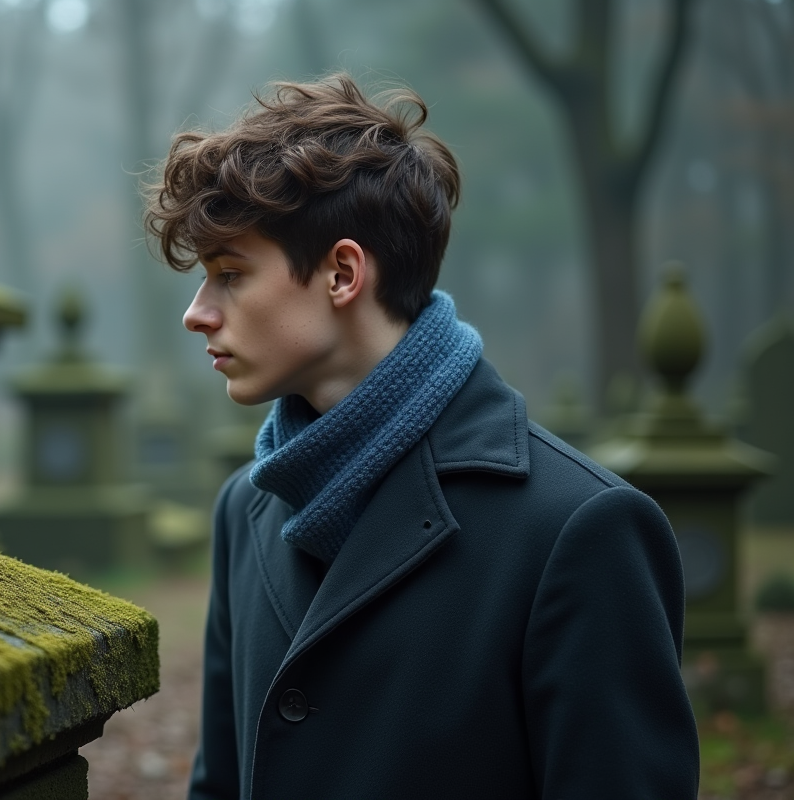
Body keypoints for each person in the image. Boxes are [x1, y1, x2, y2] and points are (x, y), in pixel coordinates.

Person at [143, 74, 699, 799]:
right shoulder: (244, 510)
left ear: (343, 273)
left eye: (229, 274)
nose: (197, 313)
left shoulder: (581, 529)